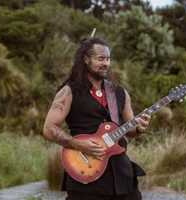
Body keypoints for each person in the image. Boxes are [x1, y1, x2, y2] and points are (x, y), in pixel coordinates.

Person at [43, 37, 151, 200]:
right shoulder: (69, 92)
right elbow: (49, 129)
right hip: (85, 174)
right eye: (100, 58)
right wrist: (79, 144)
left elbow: (130, 131)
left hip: (122, 177)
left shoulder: (119, 92)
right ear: (86, 59)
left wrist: (140, 128)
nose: (106, 63)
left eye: (108, 59)